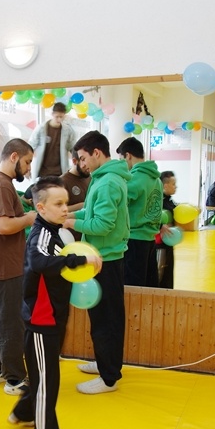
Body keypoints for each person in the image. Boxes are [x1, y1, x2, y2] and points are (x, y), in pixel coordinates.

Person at [8, 176, 102, 429]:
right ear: (41, 207)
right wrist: (75, 262)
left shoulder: (56, 233)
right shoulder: (41, 234)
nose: (65, 209)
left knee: (44, 375)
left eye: (65, 203)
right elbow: (38, 261)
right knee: (48, 382)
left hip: (54, 317)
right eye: (58, 204)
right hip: (41, 321)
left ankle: (24, 411)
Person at [63, 130, 130, 394]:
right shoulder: (102, 179)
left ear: (97, 153)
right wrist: (69, 214)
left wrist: (70, 223)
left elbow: (102, 225)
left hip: (107, 259)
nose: (81, 164)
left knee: (106, 320)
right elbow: (91, 212)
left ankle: (109, 377)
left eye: (83, 158)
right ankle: (105, 363)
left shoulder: (108, 182)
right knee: (102, 317)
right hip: (101, 256)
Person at [0, 139, 37, 394]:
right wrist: (30, 218)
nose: (29, 168)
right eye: (27, 162)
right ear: (14, 157)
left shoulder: (0, 182)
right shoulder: (1, 184)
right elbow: (3, 225)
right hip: (3, 266)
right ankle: (14, 379)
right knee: (9, 322)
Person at [117, 137, 163, 287]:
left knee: (133, 287)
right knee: (149, 285)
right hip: (150, 239)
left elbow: (118, 204)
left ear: (128, 156)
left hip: (134, 239)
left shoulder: (135, 178)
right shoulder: (156, 179)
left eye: (121, 159)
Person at [28, 102, 78, 178]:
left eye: (61, 117)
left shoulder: (68, 131)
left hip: (60, 173)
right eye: (57, 116)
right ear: (52, 114)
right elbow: (30, 147)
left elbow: (74, 149)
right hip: (43, 173)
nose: (59, 119)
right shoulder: (41, 129)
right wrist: (27, 168)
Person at [59, 150, 90, 241]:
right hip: (71, 237)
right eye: (83, 160)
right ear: (74, 161)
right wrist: (81, 205)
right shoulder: (62, 181)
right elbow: (57, 209)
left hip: (88, 234)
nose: (87, 165)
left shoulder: (89, 177)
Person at [157, 171, 178, 289]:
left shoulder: (170, 200)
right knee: (160, 273)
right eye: (173, 184)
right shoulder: (158, 201)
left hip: (168, 242)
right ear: (165, 185)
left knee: (168, 272)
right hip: (160, 244)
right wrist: (161, 225)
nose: (176, 187)